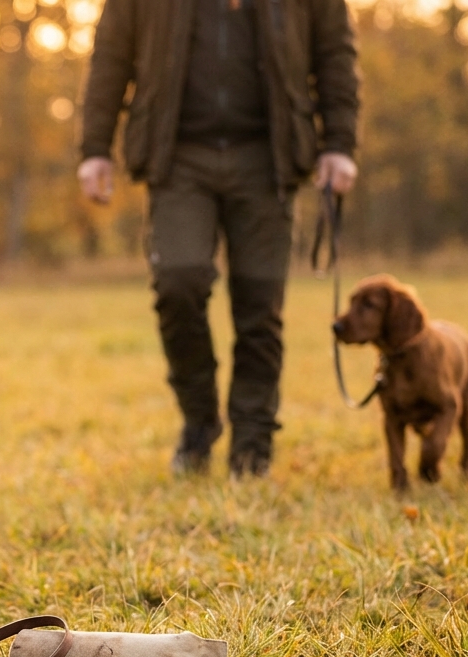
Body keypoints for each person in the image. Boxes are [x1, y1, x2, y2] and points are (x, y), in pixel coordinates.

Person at [78, 0, 360, 476]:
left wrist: (340, 144)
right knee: (178, 285)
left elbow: (335, 53)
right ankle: (199, 422)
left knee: (260, 310)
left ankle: (252, 446)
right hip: (177, 156)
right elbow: (110, 54)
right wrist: (94, 148)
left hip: (267, 157)